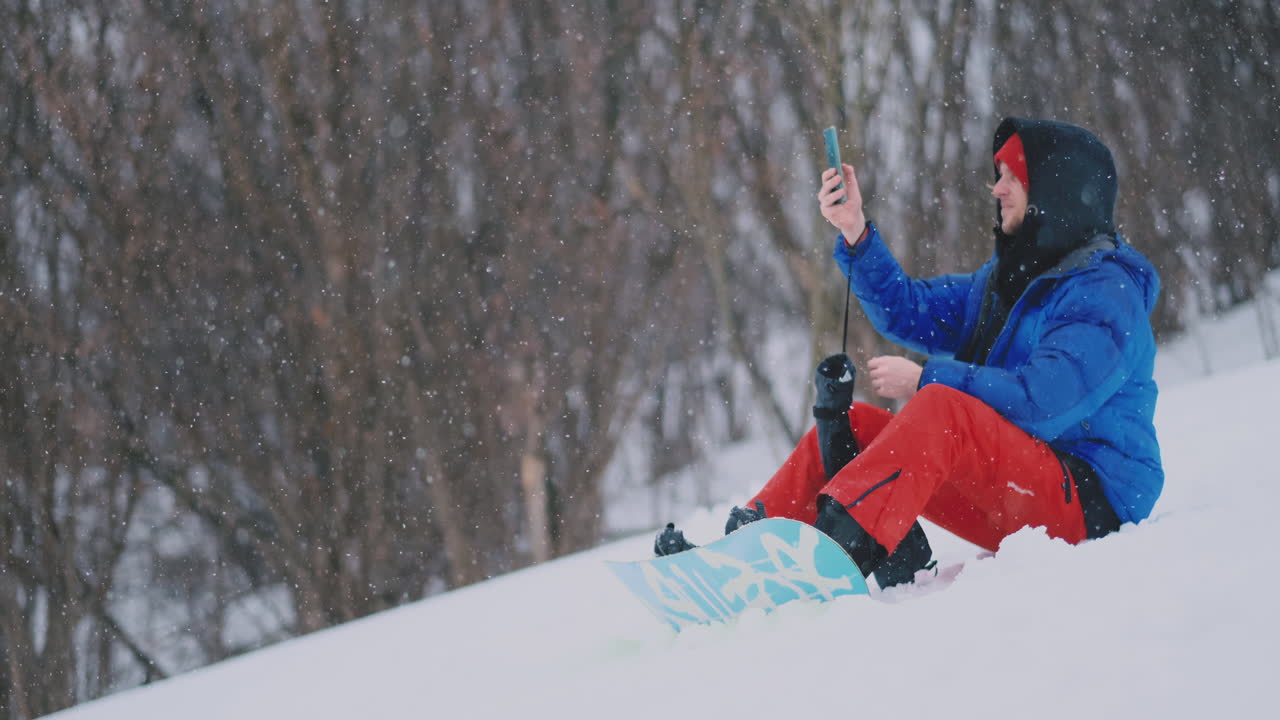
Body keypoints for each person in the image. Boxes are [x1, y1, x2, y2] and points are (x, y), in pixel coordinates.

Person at [655, 117, 1163, 590]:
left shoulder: (1104, 292)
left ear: (1054, 190)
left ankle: (833, 556)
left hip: (1091, 506)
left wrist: (926, 380)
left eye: (1011, 176)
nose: (997, 188)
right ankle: (740, 556)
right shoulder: (1007, 281)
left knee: (940, 409)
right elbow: (908, 309)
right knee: (851, 424)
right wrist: (855, 230)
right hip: (1020, 489)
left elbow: (1042, 403)